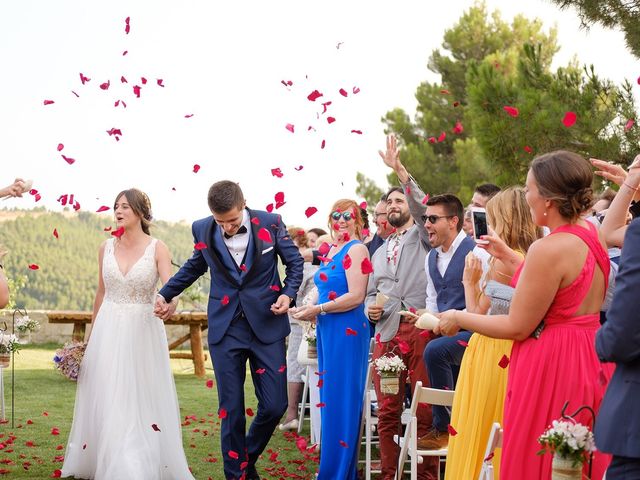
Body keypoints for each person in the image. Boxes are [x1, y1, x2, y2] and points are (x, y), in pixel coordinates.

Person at [437, 151, 614, 479]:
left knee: (541, 459)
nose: (527, 196)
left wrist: (458, 317)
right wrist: (510, 256)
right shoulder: (592, 234)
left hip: (552, 362)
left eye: (530, 188)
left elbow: (517, 325)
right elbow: (564, 287)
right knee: (575, 458)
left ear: (547, 198)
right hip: (590, 353)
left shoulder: (546, 250)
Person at [154, 180, 303, 480]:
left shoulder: (271, 223)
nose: (227, 228)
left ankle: (242, 464)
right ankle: (236, 476)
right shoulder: (202, 229)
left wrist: (288, 293)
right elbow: (195, 265)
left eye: (233, 221)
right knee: (231, 411)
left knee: (275, 405)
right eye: (221, 222)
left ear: (244, 204)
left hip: (267, 325)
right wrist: (164, 293)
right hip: (226, 329)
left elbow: (295, 262)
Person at [61, 188, 194, 480]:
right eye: (116, 206)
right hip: (108, 327)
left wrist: (171, 303)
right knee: (109, 394)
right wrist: (92, 338)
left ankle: (133, 462)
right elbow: (101, 292)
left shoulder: (157, 247)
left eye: (126, 206)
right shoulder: (105, 247)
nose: (119, 211)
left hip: (142, 329)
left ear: (141, 212)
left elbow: (171, 290)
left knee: (138, 394)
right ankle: (107, 457)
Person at [444, 187, 542, 480]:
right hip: (509, 350)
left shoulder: (503, 264)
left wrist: (467, 281)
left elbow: (474, 316)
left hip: (491, 351)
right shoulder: (529, 258)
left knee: (482, 425)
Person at [364, 134, 437, 480]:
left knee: (424, 408)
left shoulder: (424, 235)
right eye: (388, 203)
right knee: (389, 410)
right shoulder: (378, 252)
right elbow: (369, 292)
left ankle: (425, 476)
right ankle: (389, 472)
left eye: (398, 200)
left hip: (420, 327)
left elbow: (424, 208)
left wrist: (400, 173)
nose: (394, 205)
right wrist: (369, 310)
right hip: (387, 335)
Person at [291, 200, 370, 480]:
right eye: (336, 216)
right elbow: (322, 287)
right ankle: (332, 469)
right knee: (329, 399)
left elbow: (356, 296)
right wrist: (305, 307)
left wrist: (318, 309)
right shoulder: (332, 250)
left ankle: (341, 473)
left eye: (348, 216)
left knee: (343, 399)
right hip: (327, 329)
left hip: (347, 330)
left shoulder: (357, 249)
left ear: (358, 220)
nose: (342, 221)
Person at [412, 192, 487, 450]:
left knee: (436, 350)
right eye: (425, 218)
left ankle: (443, 428)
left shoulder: (478, 252)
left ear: (453, 221)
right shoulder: (430, 257)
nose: (426, 224)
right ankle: (447, 423)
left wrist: (457, 318)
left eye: (433, 218)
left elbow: (488, 301)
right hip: (445, 330)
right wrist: (429, 317)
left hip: (478, 331)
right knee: (424, 344)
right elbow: (433, 298)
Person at [278, 227, 318, 432]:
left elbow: (295, 293)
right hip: (310, 321)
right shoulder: (315, 265)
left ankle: (292, 414)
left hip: (300, 322)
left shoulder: (302, 266)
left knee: (294, 366)